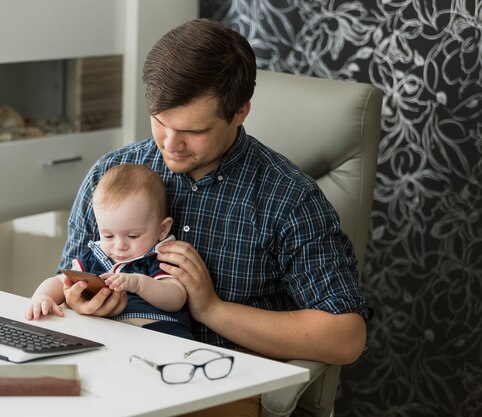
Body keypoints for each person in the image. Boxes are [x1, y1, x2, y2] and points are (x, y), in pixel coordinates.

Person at [57, 18, 370, 416]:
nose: (170, 145)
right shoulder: (112, 174)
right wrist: (79, 301)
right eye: (160, 121)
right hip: (111, 375)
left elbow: (345, 336)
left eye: (193, 131)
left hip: (219, 387)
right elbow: (67, 279)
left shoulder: (289, 198)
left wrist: (211, 308)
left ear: (240, 112)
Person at [26, 163, 193, 340]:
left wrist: (139, 284)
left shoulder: (161, 257)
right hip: (109, 335)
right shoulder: (95, 257)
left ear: (162, 229)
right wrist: (43, 297)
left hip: (160, 333)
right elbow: (61, 281)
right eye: (108, 235)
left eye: (133, 236)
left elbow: (176, 298)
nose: (120, 245)